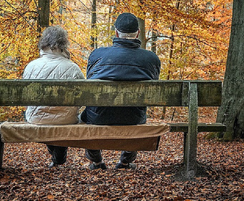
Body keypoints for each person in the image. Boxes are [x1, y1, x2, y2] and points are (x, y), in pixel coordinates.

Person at [80, 13, 161, 170]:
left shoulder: (97, 55)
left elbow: (90, 81)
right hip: (133, 117)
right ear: (137, 33)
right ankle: (125, 162)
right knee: (134, 113)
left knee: (89, 113)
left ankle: (96, 162)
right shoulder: (151, 58)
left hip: (98, 117)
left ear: (116, 33)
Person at [22, 26, 85, 169]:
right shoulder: (73, 68)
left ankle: (57, 160)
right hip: (66, 118)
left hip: (36, 118)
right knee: (62, 118)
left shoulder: (31, 66)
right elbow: (83, 97)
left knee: (47, 119)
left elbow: (26, 98)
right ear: (64, 45)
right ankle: (59, 160)